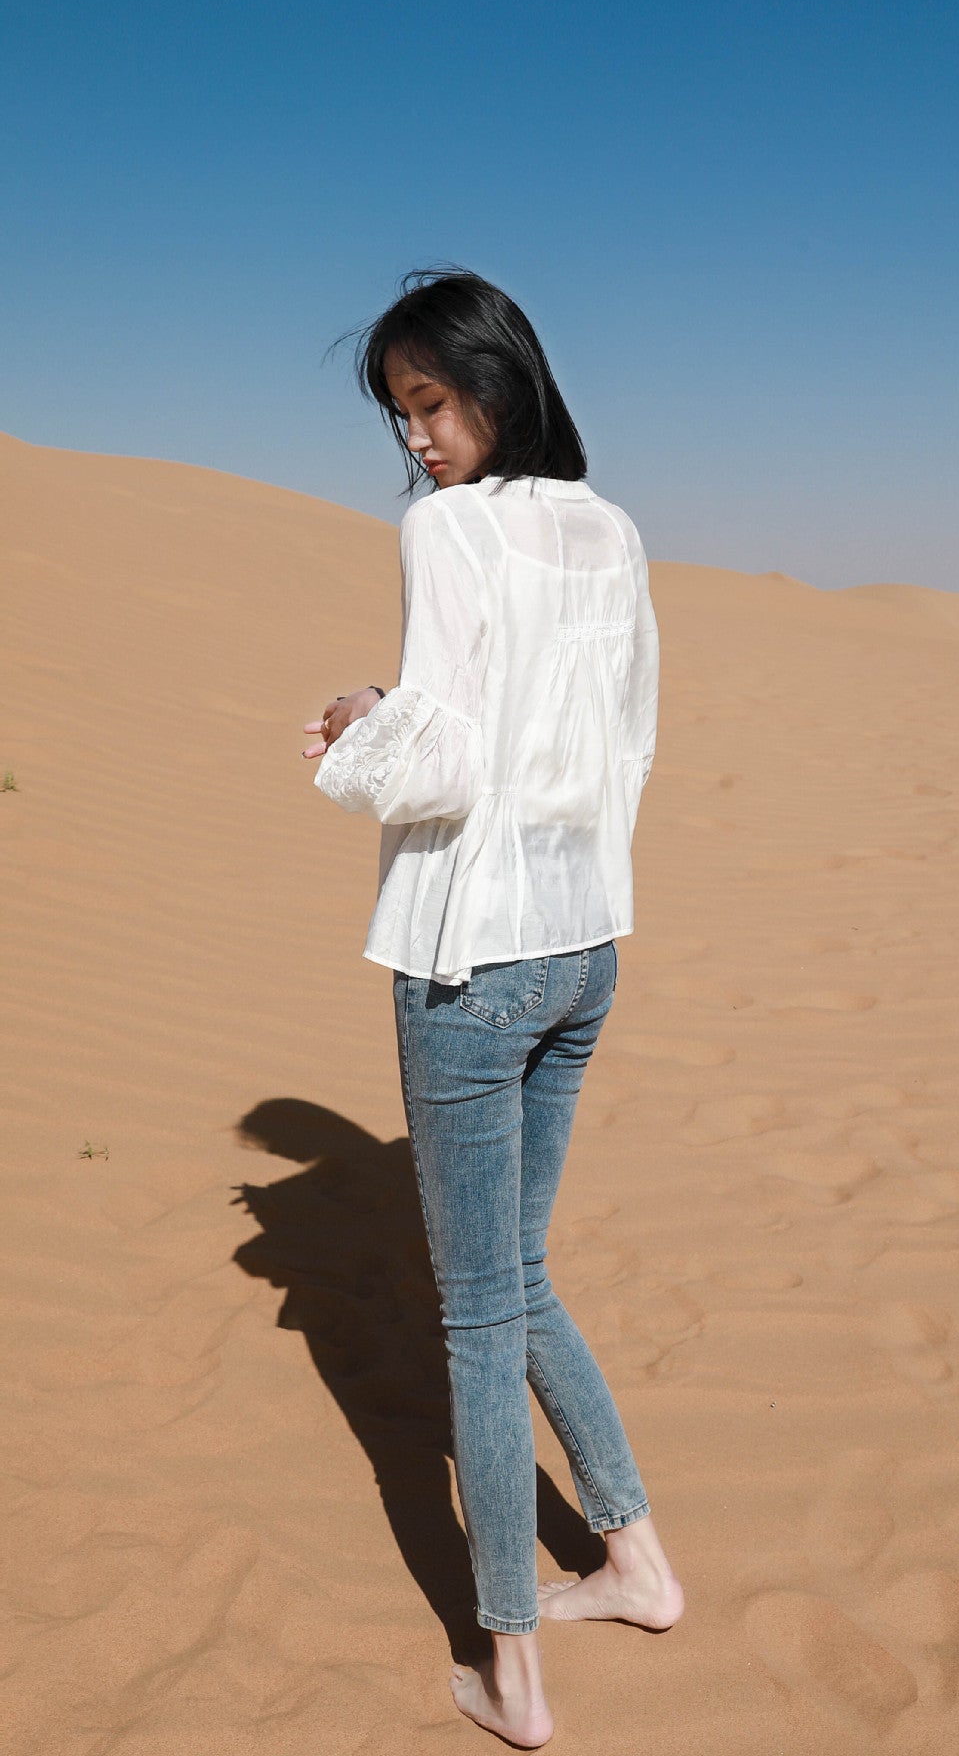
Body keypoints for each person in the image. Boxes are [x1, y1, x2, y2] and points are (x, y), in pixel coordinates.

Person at [302, 270, 682, 1747]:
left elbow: (443, 761)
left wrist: (358, 731)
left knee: (474, 1315)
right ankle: (637, 1563)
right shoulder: (613, 530)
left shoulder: (447, 529)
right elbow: (620, 739)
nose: (418, 442)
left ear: (495, 385)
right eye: (402, 418)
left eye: (431, 404)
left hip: (471, 962)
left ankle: (512, 1671)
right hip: (586, 943)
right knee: (519, 1274)